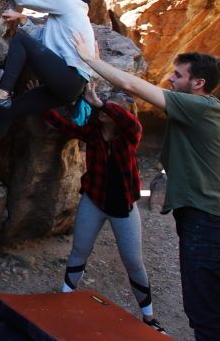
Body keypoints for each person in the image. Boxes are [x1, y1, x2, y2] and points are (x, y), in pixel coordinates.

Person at [72, 33, 220, 341]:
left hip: (205, 223)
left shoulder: (199, 107)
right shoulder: (202, 110)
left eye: (178, 75)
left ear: (198, 83)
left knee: (202, 310)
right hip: (206, 221)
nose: (170, 78)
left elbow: (133, 86)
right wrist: (100, 104)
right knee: (213, 302)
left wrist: (90, 59)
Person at [43, 81, 165, 333]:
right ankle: (63, 300)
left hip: (123, 207)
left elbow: (133, 124)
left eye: (114, 109)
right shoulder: (94, 133)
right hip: (94, 200)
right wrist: (40, 102)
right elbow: (64, 125)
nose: (106, 112)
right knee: (79, 251)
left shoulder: (129, 137)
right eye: (107, 108)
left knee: (133, 262)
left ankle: (149, 318)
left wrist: (101, 103)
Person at [0, 0, 95, 166]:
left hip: (68, 77)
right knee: (9, 112)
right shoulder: (73, 15)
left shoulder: (66, 1)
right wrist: (23, 19)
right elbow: (41, 40)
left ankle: (2, 92)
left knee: (20, 41)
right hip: (69, 88)